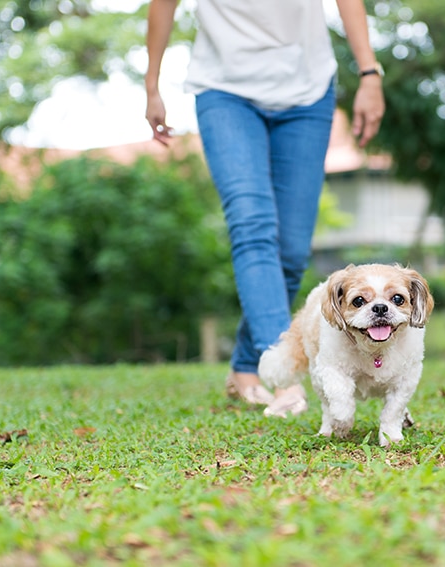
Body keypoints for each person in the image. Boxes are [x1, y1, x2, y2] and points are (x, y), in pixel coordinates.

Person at [145, 0, 385, 415]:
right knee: (252, 227)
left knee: (291, 252)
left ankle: (243, 367)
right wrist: (152, 84)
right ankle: (285, 382)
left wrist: (369, 74)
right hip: (225, 91)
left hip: (307, 89)